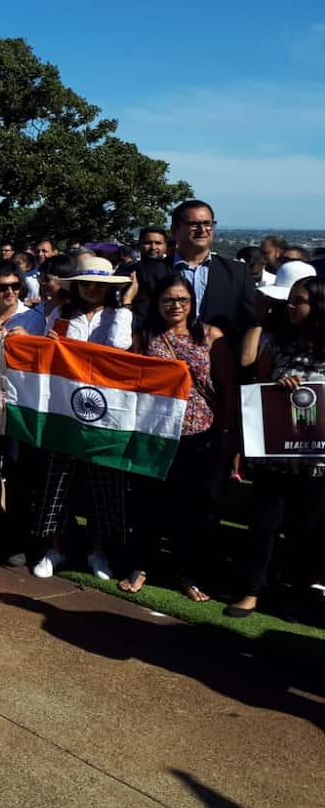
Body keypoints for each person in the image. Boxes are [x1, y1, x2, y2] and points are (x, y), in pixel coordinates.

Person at [119, 275, 236, 602]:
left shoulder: (210, 336)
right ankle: (140, 565)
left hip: (200, 434)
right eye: (168, 300)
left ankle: (188, 573)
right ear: (157, 303)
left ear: (192, 302)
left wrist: (228, 436)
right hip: (155, 433)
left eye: (182, 300)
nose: (176, 306)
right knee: (147, 504)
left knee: (194, 508)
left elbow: (226, 388)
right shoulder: (146, 336)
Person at [226, 274, 325, 619]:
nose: (292, 306)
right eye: (291, 300)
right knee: (265, 526)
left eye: (300, 301)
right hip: (277, 457)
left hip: (317, 463)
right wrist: (276, 386)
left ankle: (296, 595)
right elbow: (256, 386)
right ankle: (252, 591)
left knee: (307, 531)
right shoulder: (279, 343)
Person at [32, 256, 136, 581]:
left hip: (104, 414)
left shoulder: (119, 316)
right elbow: (51, 358)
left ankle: (97, 551)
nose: (92, 290)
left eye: (100, 285)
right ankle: (56, 548)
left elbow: (117, 349)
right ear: (76, 285)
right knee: (57, 484)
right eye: (86, 283)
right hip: (65, 411)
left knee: (100, 487)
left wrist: (125, 306)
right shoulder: (60, 315)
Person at [0, 260, 46, 564]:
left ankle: (18, 539)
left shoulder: (34, 319)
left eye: (16, 286)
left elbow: (44, 363)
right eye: (2, 287)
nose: (10, 292)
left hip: (20, 410)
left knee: (18, 473)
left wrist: (26, 345)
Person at [138, 199, 255, 340]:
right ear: (175, 230)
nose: (202, 230)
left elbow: (250, 322)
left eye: (207, 224)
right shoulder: (151, 272)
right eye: (193, 224)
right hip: (166, 355)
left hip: (222, 357)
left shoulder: (237, 273)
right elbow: (142, 322)